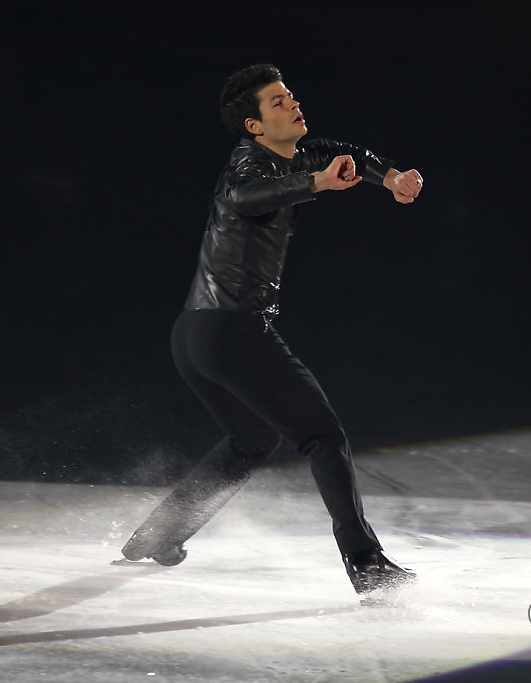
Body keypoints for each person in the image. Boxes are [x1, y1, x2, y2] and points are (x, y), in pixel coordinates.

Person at [120, 64, 424, 596]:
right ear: (254, 126)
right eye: (278, 102)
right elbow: (247, 199)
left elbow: (350, 155)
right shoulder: (247, 165)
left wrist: (391, 178)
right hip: (230, 332)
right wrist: (315, 184)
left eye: (291, 96)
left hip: (196, 335)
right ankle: (367, 564)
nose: (293, 104)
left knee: (252, 439)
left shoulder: (301, 153)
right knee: (323, 435)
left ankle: (157, 536)